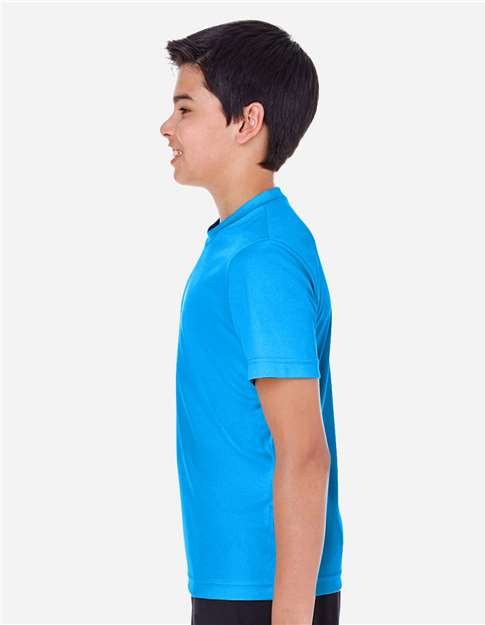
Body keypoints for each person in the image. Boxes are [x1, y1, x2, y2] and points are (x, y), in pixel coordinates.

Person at [160, 19, 343, 625]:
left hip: (265, 593)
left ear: (247, 121)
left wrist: (289, 615)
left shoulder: (262, 257)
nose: (167, 127)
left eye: (185, 108)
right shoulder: (238, 243)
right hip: (240, 579)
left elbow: (305, 453)